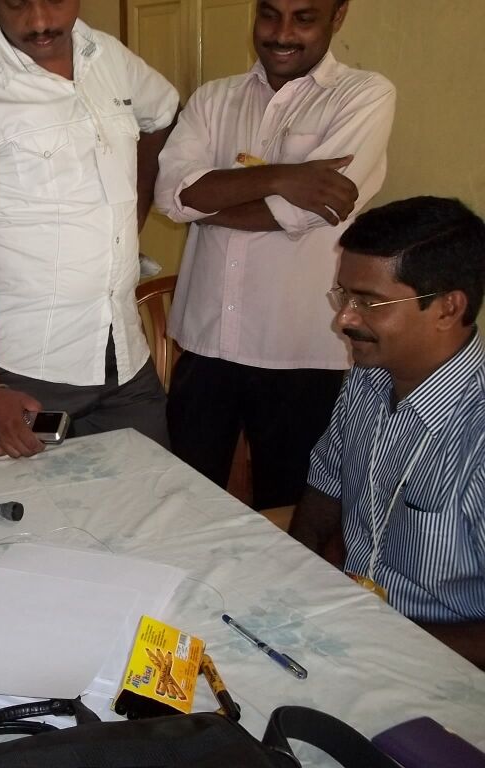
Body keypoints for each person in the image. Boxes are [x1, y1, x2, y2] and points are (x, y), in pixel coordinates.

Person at [154, 0, 396, 510]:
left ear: (338, 16)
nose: (282, 33)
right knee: (182, 505)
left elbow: (306, 212)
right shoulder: (213, 98)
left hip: (299, 353)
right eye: (270, 14)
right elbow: (170, 194)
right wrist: (286, 176)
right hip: (206, 344)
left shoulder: (364, 95)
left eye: (304, 18)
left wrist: (205, 202)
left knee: (289, 514)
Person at [0, 0, 179, 459]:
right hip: (31, 371)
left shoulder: (108, 57)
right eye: (18, 2)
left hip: (125, 354)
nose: (39, 21)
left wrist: (133, 208)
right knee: (42, 505)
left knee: (152, 493)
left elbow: (162, 113)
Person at [289, 196, 485, 669]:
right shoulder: (367, 377)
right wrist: (292, 584)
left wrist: (381, 640)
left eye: (369, 303)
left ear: (447, 308)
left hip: (440, 665)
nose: (344, 319)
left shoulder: (476, 435)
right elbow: (325, 488)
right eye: (344, 296)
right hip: (347, 630)